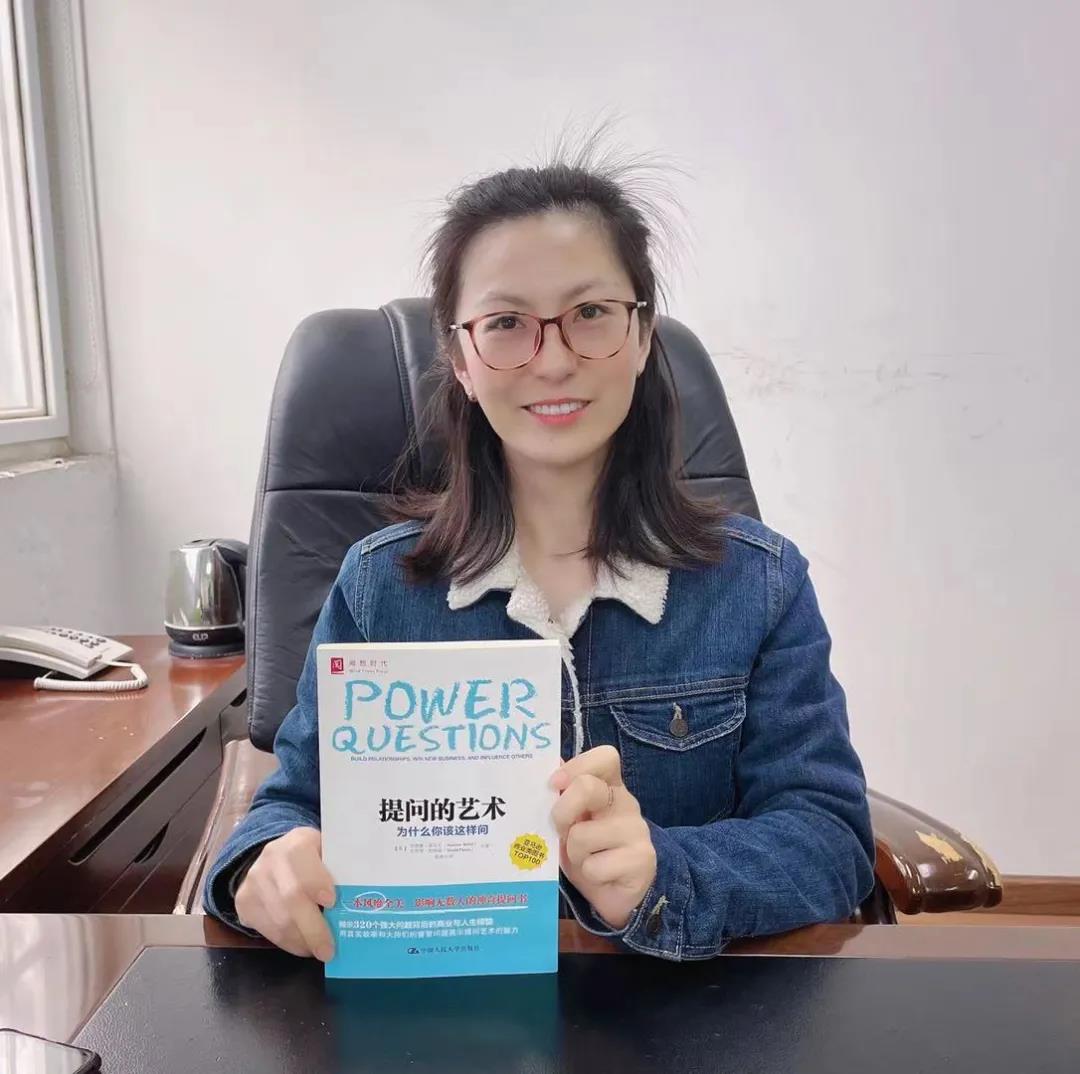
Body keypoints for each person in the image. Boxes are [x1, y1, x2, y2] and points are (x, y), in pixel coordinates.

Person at [204, 152, 875, 962]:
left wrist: (665, 872)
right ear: (459, 358)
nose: (553, 360)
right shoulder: (379, 588)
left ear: (641, 334)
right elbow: (289, 806)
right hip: (439, 1009)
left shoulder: (759, 585)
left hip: (685, 1011)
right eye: (506, 323)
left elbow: (828, 839)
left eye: (590, 312)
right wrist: (265, 865)